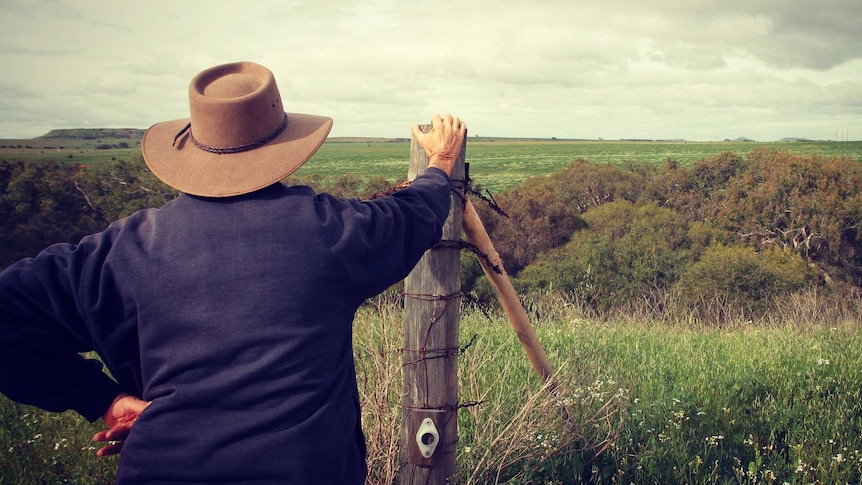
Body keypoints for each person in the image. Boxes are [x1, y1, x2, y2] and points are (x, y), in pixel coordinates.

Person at [0, 61, 466, 484]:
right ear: (284, 145)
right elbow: (413, 214)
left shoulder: (123, 250)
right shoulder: (329, 230)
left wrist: (102, 399)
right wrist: (441, 163)